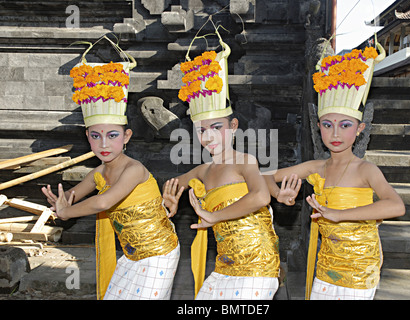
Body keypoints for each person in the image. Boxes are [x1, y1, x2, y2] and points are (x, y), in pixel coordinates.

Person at [264, 43, 405, 300]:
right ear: (319, 127)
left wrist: (341, 215)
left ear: (360, 128)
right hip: (327, 265)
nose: (336, 133)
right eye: (328, 125)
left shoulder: (366, 170)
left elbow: (396, 206)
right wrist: (277, 193)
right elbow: (263, 177)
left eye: (345, 125)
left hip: (360, 267)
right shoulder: (316, 167)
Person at [42, 42, 181, 300]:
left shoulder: (134, 170)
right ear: (88, 137)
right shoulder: (98, 173)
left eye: (112, 135)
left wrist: (65, 212)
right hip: (131, 255)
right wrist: (61, 200)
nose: (103, 144)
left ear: (126, 136)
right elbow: (75, 194)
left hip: (159, 254)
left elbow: (103, 201)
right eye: (96, 136)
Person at [165, 30, 280, 300]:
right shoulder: (202, 171)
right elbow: (171, 187)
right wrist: (169, 201)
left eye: (216, 127)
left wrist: (213, 216)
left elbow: (261, 196)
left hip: (257, 267)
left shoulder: (244, 161)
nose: (208, 137)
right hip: (223, 268)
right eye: (201, 130)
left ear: (233, 126)